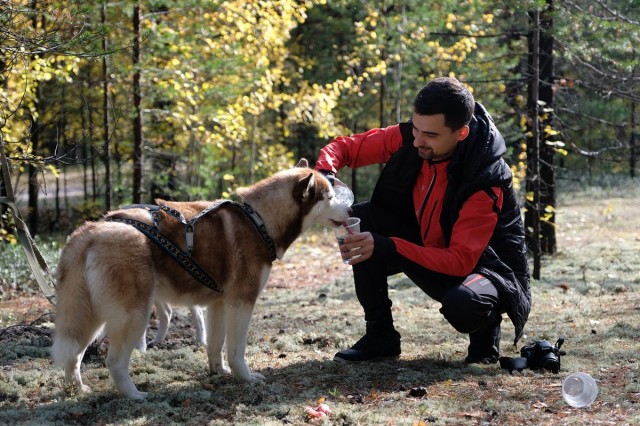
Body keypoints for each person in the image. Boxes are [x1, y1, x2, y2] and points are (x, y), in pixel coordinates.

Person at [315, 77, 531, 364]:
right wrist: (325, 176)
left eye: (430, 135)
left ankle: (486, 333)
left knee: (463, 305)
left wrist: (388, 247)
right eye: (415, 128)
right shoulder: (412, 137)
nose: (417, 140)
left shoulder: (485, 179)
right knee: (362, 219)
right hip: (429, 243)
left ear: (461, 133)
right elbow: (344, 148)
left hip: (489, 270)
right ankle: (381, 337)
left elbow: (460, 260)